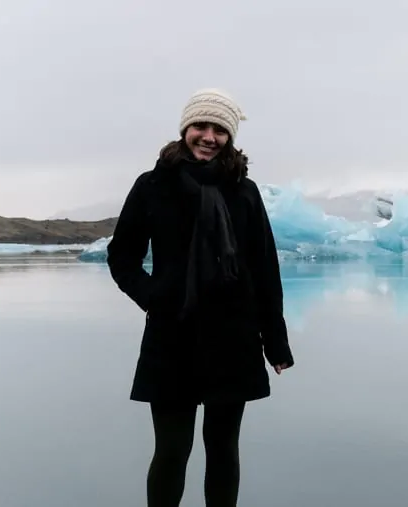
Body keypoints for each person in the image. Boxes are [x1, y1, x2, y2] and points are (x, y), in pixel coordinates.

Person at [106, 88, 294, 507]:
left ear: (229, 137)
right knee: (172, 452)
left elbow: (264, 269)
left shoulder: (243, 190)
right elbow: (121, 255)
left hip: (234, 338)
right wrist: (153, 296)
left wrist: (275, 343)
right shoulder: (152, 186)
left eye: (219, 130)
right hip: (173, 338)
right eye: (200, 127)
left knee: (224, 452)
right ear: (185, 130)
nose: (209, 136)